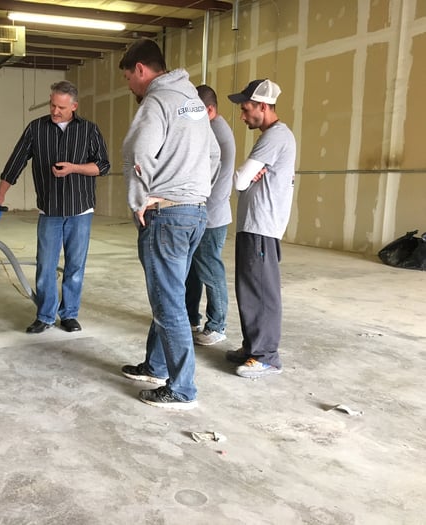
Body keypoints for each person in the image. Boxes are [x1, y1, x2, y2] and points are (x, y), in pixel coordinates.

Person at [118, 38, 220, 410]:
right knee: (170, 293)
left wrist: (139, 201)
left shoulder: (157, 101)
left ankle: (182, 388)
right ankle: (155, 366)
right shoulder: (192, 101)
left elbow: (137, 152)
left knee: (169, 303)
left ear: (141, 70)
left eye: (129, 77)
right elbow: (214, 153)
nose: (130, 85)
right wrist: (196, 190)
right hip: (194, 212)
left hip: (166, 214)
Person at [0, 80, 110, 334]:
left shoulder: (88, 130)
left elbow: (103, 166)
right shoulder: (36, 129)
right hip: (49, 211)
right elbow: (16, 161)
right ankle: (44, 315)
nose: (55, 111)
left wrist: (75, 168)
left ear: (74, 106)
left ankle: (69, 315)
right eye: (53, 105)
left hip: (80, 210)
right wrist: (1, 193)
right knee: (45, 264)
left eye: (61, 107)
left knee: (75, 266)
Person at [226, 78, 296, 378]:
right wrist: (248, 174)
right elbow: (246, 179)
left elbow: (240, 180)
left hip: (262, 226)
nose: (243, 116)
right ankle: (253, 346)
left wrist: (244, 174)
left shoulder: (276, 136)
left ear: (262, 106)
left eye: (246, 109)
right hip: (253, 225)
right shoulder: (270, 136)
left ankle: (267, 356)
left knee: (262, 291)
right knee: (249, 288)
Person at [185, 85, 236, 346]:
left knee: (209, 269)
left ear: (210, 110)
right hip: (205, 212)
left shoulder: (215, 131)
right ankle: (190, 317)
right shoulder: (211, 127)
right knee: (194, 269)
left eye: (197, 111)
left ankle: (217, 325)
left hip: (211, 215)